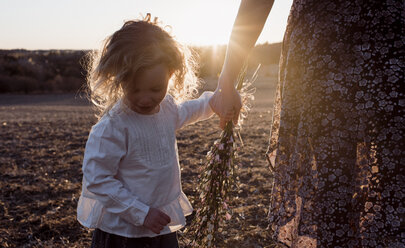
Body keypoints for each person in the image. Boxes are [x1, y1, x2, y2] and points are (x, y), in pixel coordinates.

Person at [209, 0, 404, 247]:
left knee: (390, 189)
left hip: (375, 42)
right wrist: (227, 77)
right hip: (325, 49)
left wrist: (228, 76)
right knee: (335, 193)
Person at [77, 14, 214, 248]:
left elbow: (188, 111)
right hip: (123, 233)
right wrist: (141, 213)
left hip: (160, 224)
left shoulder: (166, 109)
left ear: (171, 74)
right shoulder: (113, 127)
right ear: (117, 79)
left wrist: (213, 103)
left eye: (155, 88)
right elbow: (98, 179)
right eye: (134, 88)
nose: (145, 98)